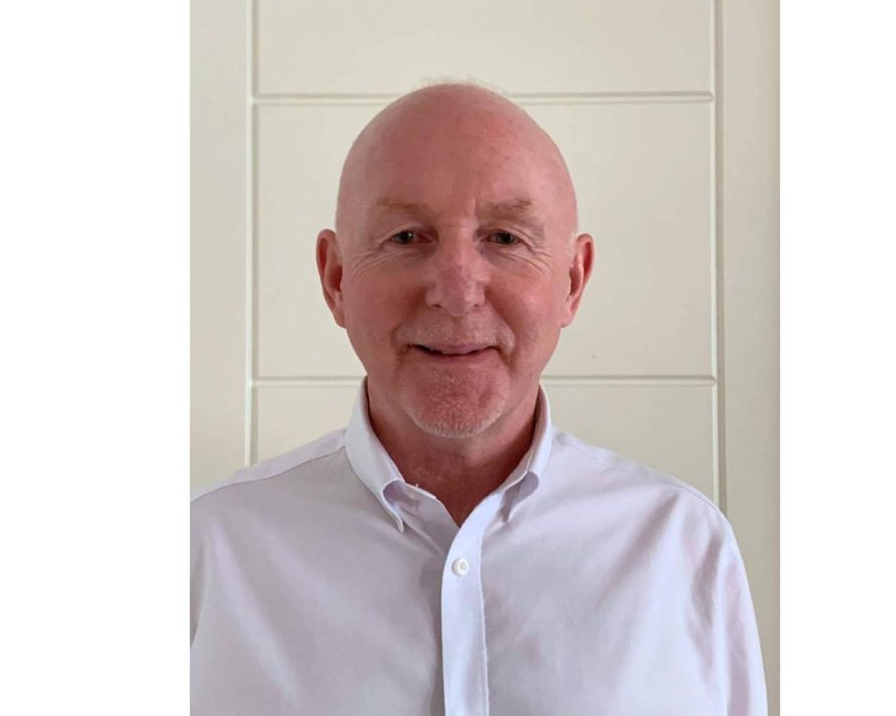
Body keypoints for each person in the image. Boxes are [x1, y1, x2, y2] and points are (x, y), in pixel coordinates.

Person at [190, 82, 768, 715]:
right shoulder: (206, 551)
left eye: (505, 238)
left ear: (572, 281)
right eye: (406, 237)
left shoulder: (684, 547)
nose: (458, 290)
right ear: (335, 279)